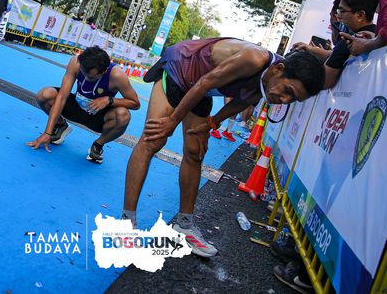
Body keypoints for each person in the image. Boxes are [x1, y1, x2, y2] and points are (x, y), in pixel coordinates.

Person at [123, 39, 325, 257]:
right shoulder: (254, 59)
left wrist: (210, 124)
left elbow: (241, 102)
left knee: (195, 153)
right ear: (278, 69)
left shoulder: (270, 81)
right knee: (153, 140)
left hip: (200, 88)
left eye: (293, 99)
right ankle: (126, 224)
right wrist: (172, 121)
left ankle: (184, 224)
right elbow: (204, 83)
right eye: (288, 90)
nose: (285, 99)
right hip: (180, 70)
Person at [26, 46, 141, 163]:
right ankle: (60, 125)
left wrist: (109, 100)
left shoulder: (117, 75)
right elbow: (62, 97)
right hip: (76, 108)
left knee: (123, 115)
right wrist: (47, 132)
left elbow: (135, 103)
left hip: (97, 117)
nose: (86, 77)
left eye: (91, 77)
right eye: (83, 73)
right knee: (44, 94)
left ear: (104, 71)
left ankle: (98, 144)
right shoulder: (76, 62)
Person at [294, 0, 378, 89]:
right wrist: (312, 50)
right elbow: (334, 55)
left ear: (360, 15)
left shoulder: (349, 41)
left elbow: (324, 81)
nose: (338, 16)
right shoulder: (379, 38)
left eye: (342, 11)